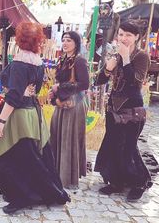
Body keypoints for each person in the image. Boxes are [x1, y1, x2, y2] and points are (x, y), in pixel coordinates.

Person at [0, 22, 70, 214]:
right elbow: (36, 89)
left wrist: (0, 122)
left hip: (19, 115)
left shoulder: (20, 62)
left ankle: (22, 196)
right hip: (33, 114)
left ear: (19, 39)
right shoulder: (37, 60)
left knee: (12, 154)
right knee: (31, 155)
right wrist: (25, 91)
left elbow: (15, 96)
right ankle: (39, 192)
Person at [94, 21, 152, 202]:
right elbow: (99, 81)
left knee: (128, 148)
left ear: (136, 37)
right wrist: (107, 68)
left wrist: (126, 58)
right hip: (113, 108)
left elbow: (135, 82)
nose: (123, 38)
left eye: (128, 35)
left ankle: (139, 183)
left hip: (132, 109)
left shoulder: (141, 56)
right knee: (113, 145)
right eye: (120, 34)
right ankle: (117, 182)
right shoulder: (115, 55)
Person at [49, 31, 90, 189]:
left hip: (74, 104)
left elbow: (84, 84)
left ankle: (67, 178)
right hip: (62, 103)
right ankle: (57, 173)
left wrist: (60, 87)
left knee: (68, 138)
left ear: (76, 43)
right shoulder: (63, 60)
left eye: (69, 40)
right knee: (57, 135)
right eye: (64, 40)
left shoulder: (79, 61)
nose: (65, 43)